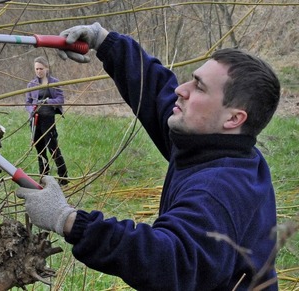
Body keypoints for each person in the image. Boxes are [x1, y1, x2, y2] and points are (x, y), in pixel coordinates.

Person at [16, 23, 280, 290]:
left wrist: (68, 219)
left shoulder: (221, 189)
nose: (182, 89)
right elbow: (156, 92)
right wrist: (105, 41)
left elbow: (168, 260)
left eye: (199, 88)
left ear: (234, 118)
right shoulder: (209, 143)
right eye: (191, 79)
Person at [24, 56, 69, 184]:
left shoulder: (54, 83)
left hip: (48, 119)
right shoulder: (31, 85)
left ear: (47, 68)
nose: (39, 71)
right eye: (37, 69)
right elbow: (27, 102)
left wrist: (48, 101)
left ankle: (63, 177)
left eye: (41, 68)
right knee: (40, 150)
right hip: (35, 120)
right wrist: (31, 109)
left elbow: (60, 100)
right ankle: (44, 177)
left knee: (52, 148)